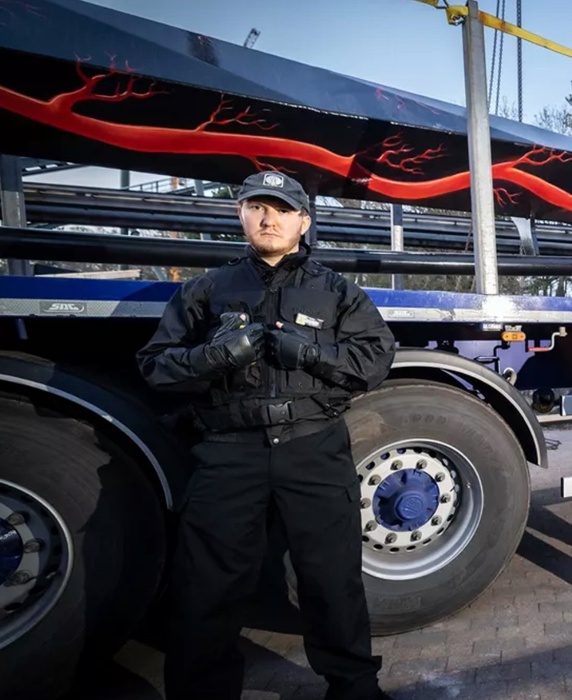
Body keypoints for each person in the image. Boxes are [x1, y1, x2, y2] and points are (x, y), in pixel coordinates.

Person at [136, 171, 396, 700]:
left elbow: (376, 359)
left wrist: (309, 353)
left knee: (332, 578)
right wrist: (213, 356)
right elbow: (156, 367)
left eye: (281, 209)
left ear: (304, 221)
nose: (268, 218)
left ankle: (353, 686)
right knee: (208, 584)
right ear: (241, 215)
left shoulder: (338, 291)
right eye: (257, 206)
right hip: (229, 451)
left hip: (313, 445)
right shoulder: (206, 290)